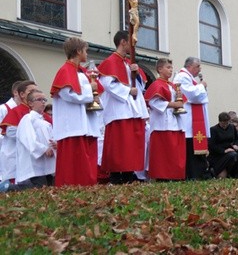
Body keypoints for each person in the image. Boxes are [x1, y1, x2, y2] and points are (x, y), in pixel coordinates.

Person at [98, 30, 149, 184]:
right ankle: (115, 177)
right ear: (123, 42)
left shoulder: (128, 63)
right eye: (131, 42)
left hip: (132, 110)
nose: (133, 46)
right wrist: (128, 90)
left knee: (131, 147)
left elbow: (140, 86)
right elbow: (108, 85)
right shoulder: (110, 62)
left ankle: (128, 175)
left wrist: (137, 75)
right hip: (118, 110)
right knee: (119, 147)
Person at [50, 37, 102, 187]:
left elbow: (94, 91)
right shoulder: (65, 70)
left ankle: (89, 185)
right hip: (72, 124)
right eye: (85, 50)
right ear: (78, 51)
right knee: (74, 163)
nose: (87, 53)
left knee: (87, 161)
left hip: (87, 123)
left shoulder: (83, 72)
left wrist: (96, 97)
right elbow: (68, 94)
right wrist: (90, 91)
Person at [0, 90, 56, 192]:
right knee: (38, 187)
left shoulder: (44, 121)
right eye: (39, 99)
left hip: (46, 161)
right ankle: (7, 188)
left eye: (44, 99)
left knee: (49, 186)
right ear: (30, 103)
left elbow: (51, 138)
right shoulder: (28, 118)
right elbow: (28, 138)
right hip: (35, 161)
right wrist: (43, 149)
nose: (43, 102)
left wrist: (55, 145)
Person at [144, 58, 186, 181]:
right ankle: (163, 176)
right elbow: (154, 102)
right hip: (162, 124)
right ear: (160, 69)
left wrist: (179, 103)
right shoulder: (157, 85)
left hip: (175, 122)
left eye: (171, 68)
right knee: (164, 154)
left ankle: (175, 175)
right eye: (168, 68)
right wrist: (174, 105)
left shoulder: (172, 86)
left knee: (174, 153)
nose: (171, 70)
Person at [173, 57, 210, 180]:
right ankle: (193, 175)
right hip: (188, 121)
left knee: (195, 151)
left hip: (194, 121)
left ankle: (199, 174)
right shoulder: (182, 77)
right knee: (190, 150)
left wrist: (200, 87)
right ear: (189, 66)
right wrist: (202, 86)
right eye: (198, 66)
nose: (200, 69)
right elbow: (192, 95)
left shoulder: (190, 79)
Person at [0, 80, 38, 185]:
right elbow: (8, 132)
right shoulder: (6, 109)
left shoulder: (33, 111)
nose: (35, 94)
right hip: (12, 153)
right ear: (19, 94)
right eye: (31, 91)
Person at [208, 112, 238, 178]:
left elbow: (237, 139)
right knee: (232, 155)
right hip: (218, 154)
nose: (225, 125)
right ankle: (215, 171)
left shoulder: (232, 127)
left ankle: (229, 172)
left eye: (226, 123)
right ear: (219, 122)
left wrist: (236, 145)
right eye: (223, 123)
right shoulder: (213, 130)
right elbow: (211, 145)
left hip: (230, 150)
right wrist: (224, 151)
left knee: (234, 155)